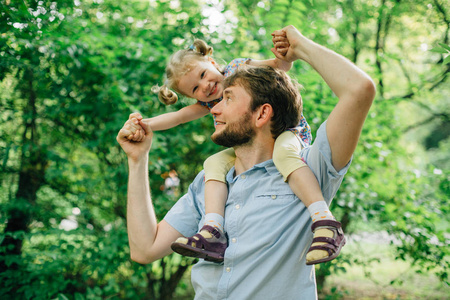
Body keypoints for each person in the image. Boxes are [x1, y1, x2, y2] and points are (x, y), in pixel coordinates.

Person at [117, 25, 376, 299]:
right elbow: (145, 249)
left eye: (227, 98)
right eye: (199, 92)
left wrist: (299, 47)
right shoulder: (208, 184)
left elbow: (359, 89)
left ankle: (325, 222)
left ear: (262, 113)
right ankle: (212, 233)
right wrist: (138, 157)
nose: (213, 107)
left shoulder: (312, 167)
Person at [126, 36, 343, 265]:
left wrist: (285, 57)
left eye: (202, 75)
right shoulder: (209, 103)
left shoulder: (237, 68)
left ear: (210, 60)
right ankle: (213, 230)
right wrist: (145, 124)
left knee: (283, 155)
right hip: (253, 143)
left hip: (289, 131)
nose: (205, 86)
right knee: (213, 164)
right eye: (195, 89)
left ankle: (323, 219)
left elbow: (278, 66)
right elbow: (178, 118)